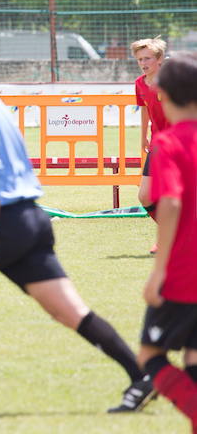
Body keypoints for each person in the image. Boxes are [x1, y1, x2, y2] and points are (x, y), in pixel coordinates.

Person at [0, 25, 153, 413]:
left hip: (2, 223)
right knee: (68, 311)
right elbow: (2, 165)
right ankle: (141, 377)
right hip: (30, 219)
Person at [135, 52, 197, 430]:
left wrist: (158, 271)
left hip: (184, 272)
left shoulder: (169, 143)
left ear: (165, 96)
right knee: (193, 358)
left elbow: (170, 201)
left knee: (150, 356)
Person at [131, 38, 170, 253]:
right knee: (145, 196)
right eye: (139, 59)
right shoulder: (139, 83)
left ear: (160, 59)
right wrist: (143, 134)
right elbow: (144, 108)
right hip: (157, 144)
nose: (143, 63)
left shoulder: (173, 80)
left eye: (147, 58)